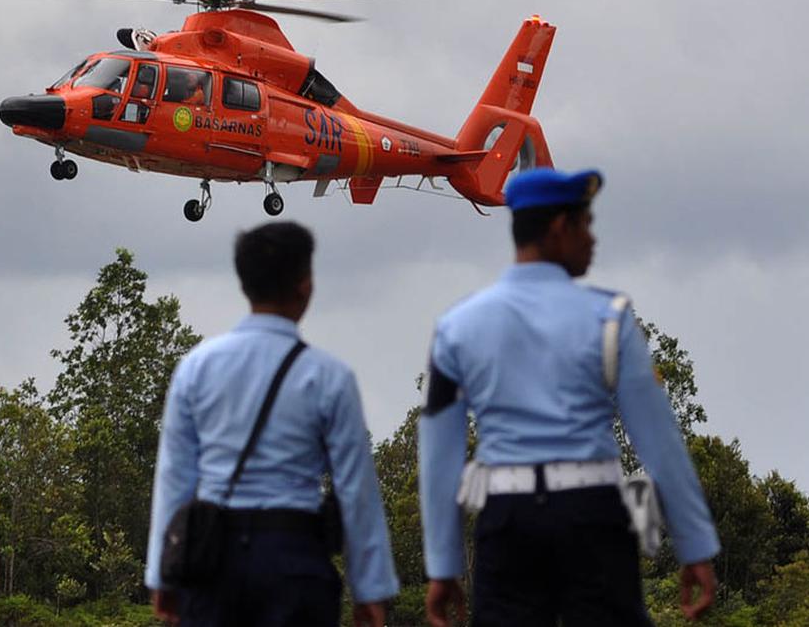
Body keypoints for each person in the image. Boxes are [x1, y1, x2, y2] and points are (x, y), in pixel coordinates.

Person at [419, 168, 720, 626]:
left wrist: (442, 565)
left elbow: (439, 456)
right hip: (593, 517)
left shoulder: (457, 327)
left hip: (508, 520)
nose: (593, 240)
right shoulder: (610, 318)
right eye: (586, 225)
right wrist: (695, 544)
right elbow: (659, 441)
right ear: (559, 228)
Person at [145, 222, 398, 626]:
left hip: (212, 563)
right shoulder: (329, 376)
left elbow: (175, 477)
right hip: (295, 560)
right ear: (306, 285)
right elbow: (356, 490)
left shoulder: (196, 367)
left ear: (244, 283)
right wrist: (371, 588)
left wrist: (163, 575)